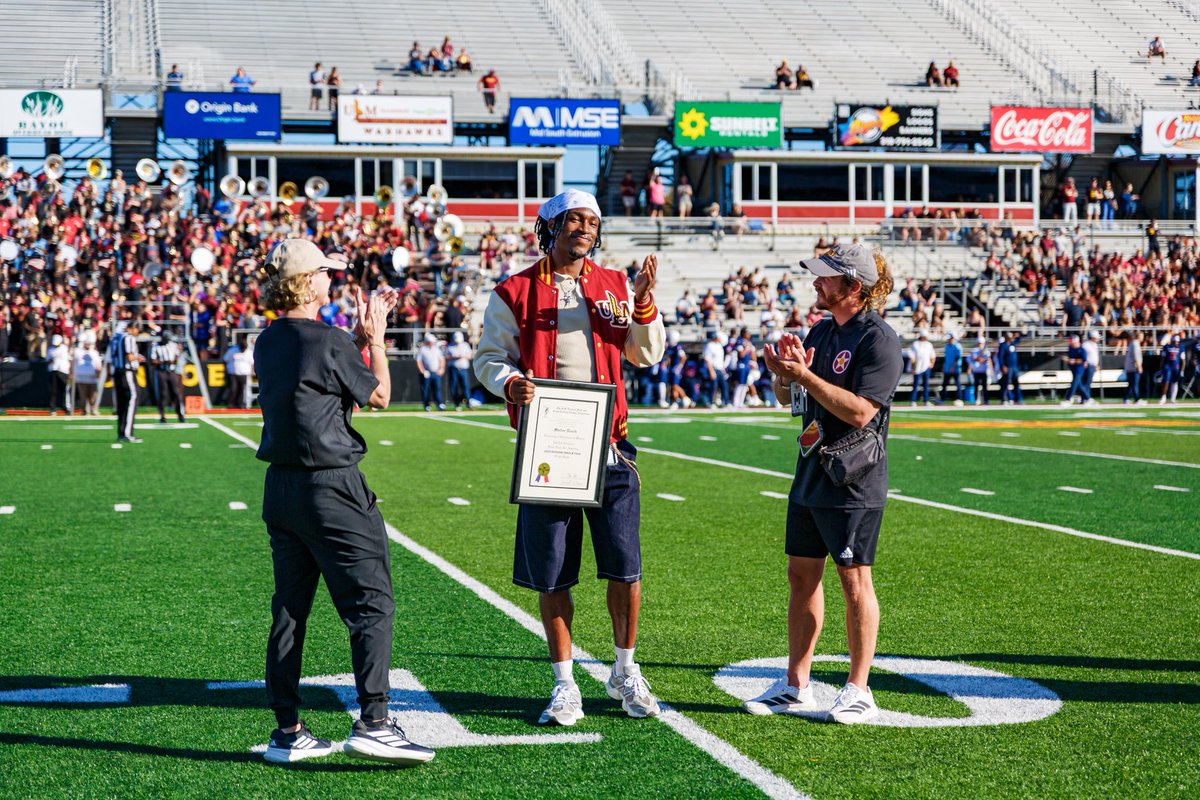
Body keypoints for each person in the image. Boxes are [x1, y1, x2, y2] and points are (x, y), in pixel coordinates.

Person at [473, 189, 666, 727]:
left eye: (592, 221)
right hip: (548, 447)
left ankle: (625, 669)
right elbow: (489, 357)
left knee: (626, 567)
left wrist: (646, 302)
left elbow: (646, 354)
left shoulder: (616, 285)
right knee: (553, 574)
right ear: (550, 226)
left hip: (610, 445)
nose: (584, 227)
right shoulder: (512, 289)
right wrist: (509, 382)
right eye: (574, 219)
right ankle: (564, 682)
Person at [254, 238, 434, 766]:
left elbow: (319, 375)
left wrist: (353, 339)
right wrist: (374, 338)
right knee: (371, 604)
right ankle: (375, 721)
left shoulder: (269, 340)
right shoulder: (328, 340)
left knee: (289, 612)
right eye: (325, 274)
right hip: (331, 487)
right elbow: (379, 395)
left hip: (281, 490)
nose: (331, 279)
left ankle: (286, 730)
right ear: (308, 281)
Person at [751, 242, 900, 724]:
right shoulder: (821, 329)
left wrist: (806, 376)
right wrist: (784, 377)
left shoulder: (879, 339)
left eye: (825, 277)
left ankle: (859, 688)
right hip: (812, 468)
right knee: (801, 577)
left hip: (853, 478)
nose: (816, 282)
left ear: (853, 287)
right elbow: (792, 403)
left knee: (854, 582)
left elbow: (860, 411)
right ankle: (797, 685)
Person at [109, 321, 143, 442]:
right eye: (136, 329)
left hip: (117, 372)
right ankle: (127, 434)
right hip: (127, 372)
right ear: (132, 328)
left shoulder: (115, 338)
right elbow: (129, 356)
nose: (137, 332)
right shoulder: (128, 338)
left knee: (122, 404)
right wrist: (138, 357)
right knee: (132, 399)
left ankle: (121, 433)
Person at [150, 331, 186, 423]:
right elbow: (153, 361)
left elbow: (177, 355)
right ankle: (162, 415)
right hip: (161, 371)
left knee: (176, 393)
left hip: (172, 371)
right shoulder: (157, 346)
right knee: (163, 394)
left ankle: (180, 414)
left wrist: (174, 360)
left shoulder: (173, 345)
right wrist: (163, 362)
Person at [73, 335, 102, 415]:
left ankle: (94, 409)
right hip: (80, 377)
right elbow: (72, 363)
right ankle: (85, 411)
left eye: (89, 343)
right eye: (86, 343)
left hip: (92, 378)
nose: (88, 345)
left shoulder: (94, 353)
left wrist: (98, 374)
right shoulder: (77, 352)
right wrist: (71, 373)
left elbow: (98, 364)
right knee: (83, 396)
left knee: (93, 396)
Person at [416, 333, 446, 411]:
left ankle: (439, 404)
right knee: (425, 390)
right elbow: (419, 361)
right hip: (426, 373)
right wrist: (422, 371)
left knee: (437, 389)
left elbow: (442, 359)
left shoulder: (437, 349)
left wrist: (441, 368)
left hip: (436, 372)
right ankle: (427, 405)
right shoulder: (422, 349)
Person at [447, 331, 473, 410]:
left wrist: (462, 356)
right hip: (453, 369)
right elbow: (446, 356)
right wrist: (454, 357)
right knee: (454, 387)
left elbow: (470, 356)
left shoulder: (465, 345)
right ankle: (457, 404)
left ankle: (468, 403)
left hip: (463, 369)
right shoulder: (450, 345)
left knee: (465, 386)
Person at [46, 334, 71, 415]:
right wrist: (51, 360)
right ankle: (52, 409)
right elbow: (47, 360)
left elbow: (69, 359)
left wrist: (70, 371)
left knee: (65, 389)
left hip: (63, 371)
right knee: (53, 391)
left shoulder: (64, 348)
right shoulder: (50, 349)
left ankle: (66, 407)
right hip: (53, 370)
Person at [909, 330, 934, 405]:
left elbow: (932, 355)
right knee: (915, 385)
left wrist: (932, 363)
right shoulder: (915, 344)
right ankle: (913, 400)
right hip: (917, 368)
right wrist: (913, 367)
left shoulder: (929, 345)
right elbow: (912, 357)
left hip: (926, 367)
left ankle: (926, 400)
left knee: (926, 385)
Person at [998, 330, 1023, 404]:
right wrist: (1002, 366)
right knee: (1005, 383)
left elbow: (1019, 339)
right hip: (1008, 367)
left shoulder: (1012, 344)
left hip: (1014, 367)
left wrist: (1018, 335)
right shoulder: (1003, 345)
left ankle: (1017, 399)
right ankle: (1004, 399)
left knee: (1016, 383)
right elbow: (1000, 357)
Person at [941, 331, 963, 404]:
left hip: (955, 369)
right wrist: (944, 367)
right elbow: (946, 358)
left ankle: (959, 399)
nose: (948, 340)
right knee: (944, 384)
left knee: (957, 384)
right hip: (947, 369)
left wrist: (953, 367)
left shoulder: (957, 346)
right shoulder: (947, 346)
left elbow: (957, 357)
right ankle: (942, 399)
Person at [1064, 334, 1087, 405]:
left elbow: (1083, 361)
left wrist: (1073, 361)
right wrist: (1068, 360)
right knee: (1079, 384)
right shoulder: (1071, 348)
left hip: (1079, 368)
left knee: (1074, 383)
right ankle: (1088, 398)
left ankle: (1068, 398)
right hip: (1073, 368)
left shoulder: (1082, 349)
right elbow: (1070, 357)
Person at [1159, 333, 1183, 404]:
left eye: (1177, 341)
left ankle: (1173, 398)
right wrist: (1161, 368)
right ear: (1172, 340)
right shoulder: (1167, 347)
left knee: (1175, 382)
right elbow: (1162, 359)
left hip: (1176, 367)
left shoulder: (1181, 347)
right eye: (1175, 341)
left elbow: (1183, 360)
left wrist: (1182, 370)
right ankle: (1163, 397)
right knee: (1166, 381)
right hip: (1168, 366)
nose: (1176, 342)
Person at [1123, 330, 1144, 404]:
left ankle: (1126, 398)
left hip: (1130, 367)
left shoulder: (1133, 344)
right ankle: (1137, 398)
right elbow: (1136, 356)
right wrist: (1139, 366)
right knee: (1135, 384)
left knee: (1131, 384)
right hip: (1133, 367)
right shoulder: (1135, 344)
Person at [970, 336, 991, 405]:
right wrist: (981, 354)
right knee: (976, 386)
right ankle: (976, 400)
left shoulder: (987, 351)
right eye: (979, 343)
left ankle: (985, 400)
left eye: (981, 343)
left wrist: (982, 359)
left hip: (983, 371)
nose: (980, 345)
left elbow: (986, 360)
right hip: (976, 371)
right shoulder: (974, 350)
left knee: (985, 387)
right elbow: (976, 359)